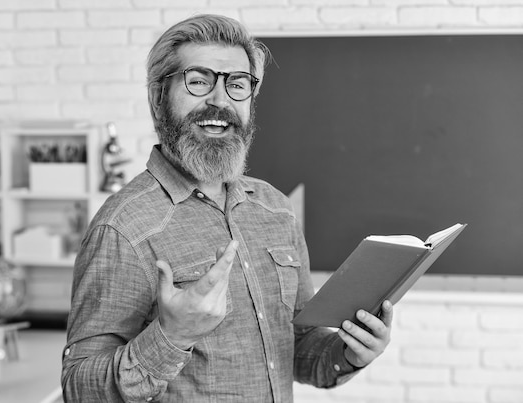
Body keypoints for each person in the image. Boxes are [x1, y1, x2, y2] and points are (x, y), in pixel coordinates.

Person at [61, 14, 392, 402]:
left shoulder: (275, 209)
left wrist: (347, 353)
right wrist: (171, 337)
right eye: (199, 81)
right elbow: (79, 389)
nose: (220, 101)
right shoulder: (123, 229)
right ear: (158, 98)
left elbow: (297, 348)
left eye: (237, 84)